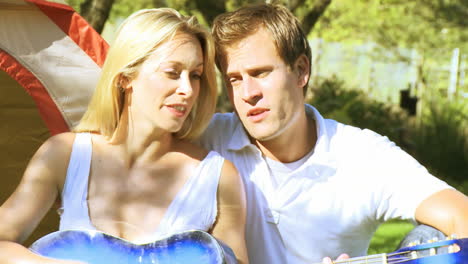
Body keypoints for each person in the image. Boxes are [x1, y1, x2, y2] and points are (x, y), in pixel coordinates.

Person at [197, 3, 468, 264]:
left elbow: (461, 215)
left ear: (301, 71)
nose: (248, 93)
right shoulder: (206, 140)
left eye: (261, 73)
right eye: (235, 79)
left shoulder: (360, 154)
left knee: (432, 239)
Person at [0, 8, 248, 264]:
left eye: (195, 76)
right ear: (126, 78)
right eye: (172, 73)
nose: (187, 89)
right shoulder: (65, 154)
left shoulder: (218, 177)